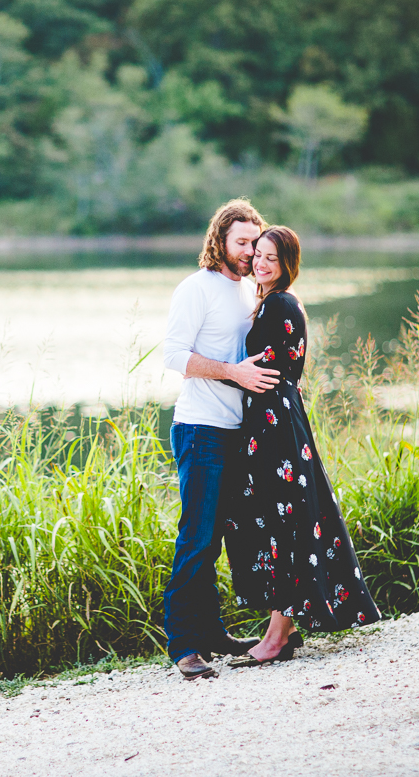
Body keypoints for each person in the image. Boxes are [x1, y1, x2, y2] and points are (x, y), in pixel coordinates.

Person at [224, 226, 381, 667]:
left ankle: (276, 637)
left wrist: (226, 370)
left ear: (287, 263)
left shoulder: (281, 303)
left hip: (277, 428)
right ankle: (282, 631)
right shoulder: (266, 303)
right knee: (282, 522)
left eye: (271, 257)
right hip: (269, 423)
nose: (261, 263)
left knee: (284, 525)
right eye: (258, 254)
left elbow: (277, 367)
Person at [161, 198, 281, 680]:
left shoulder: (250, 292)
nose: (251, 251)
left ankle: (213, 633)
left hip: (239, 433)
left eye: (256, 241)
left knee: (223, 538)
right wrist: (231, 372)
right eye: (242, 242)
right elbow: (174, 355)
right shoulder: (198, 288)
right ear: (221, 241)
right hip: (201, 429)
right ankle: (184, 646)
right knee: (197, 537)